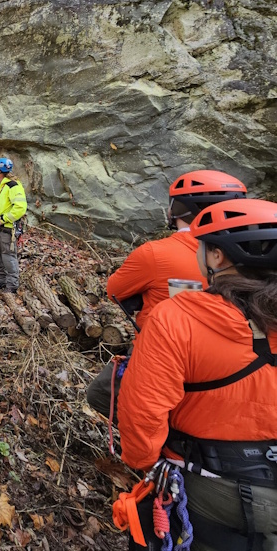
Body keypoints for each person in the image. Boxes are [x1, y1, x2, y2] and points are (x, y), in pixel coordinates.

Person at [117, 198, 277, 551]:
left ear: (217, 256)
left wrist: (146, 465)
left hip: (212, 485)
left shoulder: (178, 318)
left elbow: (142, 415)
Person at [86, 170, 247, 420]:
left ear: (178, 208)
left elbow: (114, 291)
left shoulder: (154, 253)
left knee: (99, 393)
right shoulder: (248, 259)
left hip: (160, 358)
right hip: (234, 364)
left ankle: (156, 440)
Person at [0, 157, 27, 293]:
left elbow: (20, 208)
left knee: (8, 254)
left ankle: (12, 284)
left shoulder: (13, 186)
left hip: (7, 227)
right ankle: (0, 280)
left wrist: (3, 219)